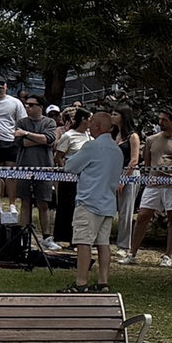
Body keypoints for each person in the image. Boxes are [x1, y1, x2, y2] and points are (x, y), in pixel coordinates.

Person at [59, 111, 122, 292]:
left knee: (83, 242)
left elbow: (70, 167)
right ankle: (103, 282)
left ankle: (81, 282)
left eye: (91, 123)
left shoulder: (92, 146)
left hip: (89, 202)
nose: (89, 126)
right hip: (107, 202)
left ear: (97, 126)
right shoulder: (116, 150)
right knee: (103, 244)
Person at [123, 110, 172, 266]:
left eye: (164, 120)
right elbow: (147, 162)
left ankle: (168, 255)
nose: (161, 123)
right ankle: (132, 253)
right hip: (154, 184)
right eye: (159, 119)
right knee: (143, 216)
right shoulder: (151, 139)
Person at [13, 94, 58, 248]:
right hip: (24, 166)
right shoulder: (21, 122)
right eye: (27, 105)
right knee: (25, 201)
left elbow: (49, 139)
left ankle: (46, 237)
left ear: (40, 107)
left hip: (44, 166)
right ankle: (22, 235)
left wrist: (27, 134)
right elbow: (20, 143)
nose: (28, 107)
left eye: (32, 105)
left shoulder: (49, 122)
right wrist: (39, 139)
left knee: (43, 203)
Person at [52, 107, 91, 248]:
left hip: (85, 178)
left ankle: (80, 237)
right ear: (83, 120)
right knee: (68, 206)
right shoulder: (69, 136)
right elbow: (59, 156)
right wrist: (67, 170)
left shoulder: (89, 137)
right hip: (69, 178)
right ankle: (66, 236)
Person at [110, 106, 141, 252]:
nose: (112, 116)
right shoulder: (113, 135)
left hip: (129, 174)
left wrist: (123, 180)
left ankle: (124, 245)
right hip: (113, 172)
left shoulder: (133, 136)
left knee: (125, 211)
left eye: (115, 114)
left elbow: (134, 160)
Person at [0, 81, 23, 212]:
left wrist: (17, 135)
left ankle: (12, 204)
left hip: (10, 140)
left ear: (6, 87)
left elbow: (22, 120)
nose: (0, 90)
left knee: (11, 173)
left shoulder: (15, 102)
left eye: (2, 88)